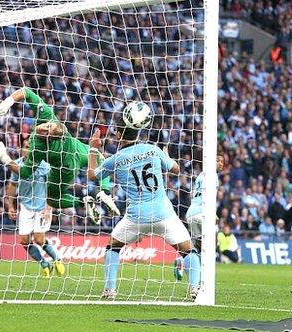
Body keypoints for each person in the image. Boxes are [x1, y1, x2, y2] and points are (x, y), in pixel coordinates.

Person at [87, 114, 201, 300]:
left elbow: (93, 176)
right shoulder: (153, 150)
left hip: (136, 218)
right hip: (164, 215)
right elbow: (176, 169)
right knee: (188, 251)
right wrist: (165, 156)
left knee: (113, 247)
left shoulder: (115, 159)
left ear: (118, 134)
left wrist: (93, 148)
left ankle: (110, 290)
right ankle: (195, 289)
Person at [0, 87, 119, 224]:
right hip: (79, 149)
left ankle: (91, 198)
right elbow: (26, 92)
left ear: (50, 139)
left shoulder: (38, 150)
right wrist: (8, 102)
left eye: (47, 131)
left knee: (52, 199)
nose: (44, 129)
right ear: (51, 122)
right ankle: (97, 196)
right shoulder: (47, 116)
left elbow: (24, 172)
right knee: (98, 156)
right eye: (48, 126)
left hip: (66, 168)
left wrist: (3, 157)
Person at [0, 136, 66, 278]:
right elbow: (12, 186)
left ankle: (57, 259)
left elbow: (53, 186)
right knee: (24, 241)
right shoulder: (17, 166)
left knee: (39, 239)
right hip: (25, 207)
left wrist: (49, 207)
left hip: (42, 207)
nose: (28, 150)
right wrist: (10, 206)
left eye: (31, 147)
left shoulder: (44, 166)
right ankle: (45, 264)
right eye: (26, 147)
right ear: (21, 149)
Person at [174, 150, 224, 280]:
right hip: (203, 213)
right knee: (212, 242)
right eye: (218, 161)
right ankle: (203, 275)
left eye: (222, 162)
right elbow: (208, 196)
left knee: (198, 245)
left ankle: (182, 262)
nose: (221, 164)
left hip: (191, 213)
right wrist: (213, 214)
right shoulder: (213, 177)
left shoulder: (201, 175)